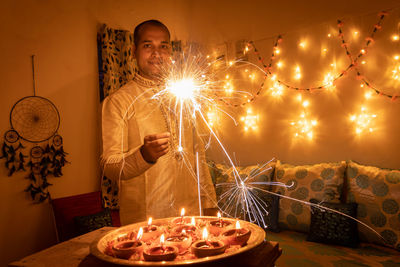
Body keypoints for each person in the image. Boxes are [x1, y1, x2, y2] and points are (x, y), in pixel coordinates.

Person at [101, 20, 217, 225]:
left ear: (170, 52)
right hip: (147, 221)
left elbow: (199, 156)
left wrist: (210, 205)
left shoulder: (185, 97)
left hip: (192, 216)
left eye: (163, 46)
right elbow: (109, 167)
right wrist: (143, 156)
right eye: (148, 46)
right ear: (133, 51)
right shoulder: (119, 101)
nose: (157, 53)